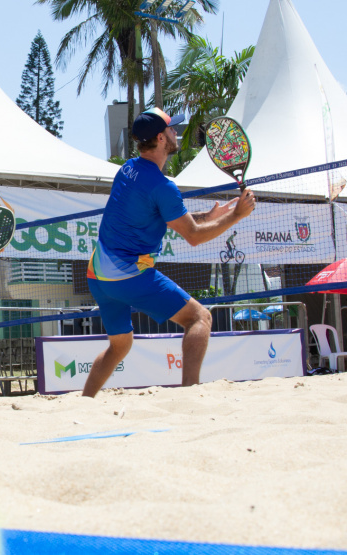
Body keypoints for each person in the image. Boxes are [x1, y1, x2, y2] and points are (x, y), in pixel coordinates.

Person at [81, 108, 256, 397]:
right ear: (161, 138)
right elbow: (193, 237)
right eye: (172, 129)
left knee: (120, 345)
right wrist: (237, 214)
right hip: (128, 275)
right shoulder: (163, 186)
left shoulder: (127, 169)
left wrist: (209, 214)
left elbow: (173, 218)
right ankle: (189, 394)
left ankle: (85, 401)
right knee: (199, 318)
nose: (177, 132)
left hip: (97, 274)